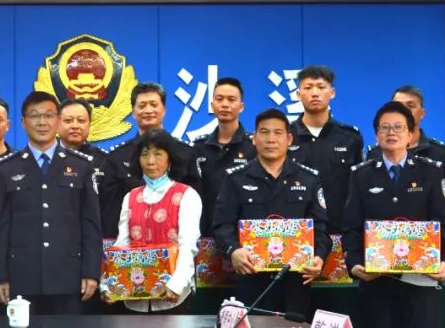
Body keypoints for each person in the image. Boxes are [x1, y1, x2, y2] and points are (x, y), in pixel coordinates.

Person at [343, 101, 445, 328]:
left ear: (410, 135)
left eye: (398, 127)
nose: (391, 133)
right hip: (376, 283)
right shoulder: (361, 175)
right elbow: (351, 226)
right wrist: (354, 264)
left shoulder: (431, 172)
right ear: (376, 135)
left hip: (420, 282)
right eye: (384, 127)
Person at [0, 91, 102, 314]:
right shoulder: (6, 168)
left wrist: (91, 272)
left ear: (58, 120)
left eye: (49, 115)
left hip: (69, 276)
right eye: (34, 115)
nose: (42, 122)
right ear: (23, 122)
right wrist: (0, 275)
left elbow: (90, 223)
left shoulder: (81, 166)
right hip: (22, 276)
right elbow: (0, 226)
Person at [213, 109, 330, 318]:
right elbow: (222, 225)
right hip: (252, 278)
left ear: (289, 139)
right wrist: (234, 250)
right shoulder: (235, 179)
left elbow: (321, 228)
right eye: (264, 132)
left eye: (278, 133)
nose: (271, 139)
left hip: (296, 279)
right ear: (254, 138)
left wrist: (319, 257)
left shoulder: (309, 179)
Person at [101, 129, 202, 312]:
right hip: (134, 299)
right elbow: (122, 245)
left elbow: (188, 245)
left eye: (158, 154)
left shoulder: (186, 195)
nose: (150, 161)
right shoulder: (131, 197)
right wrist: (107, 285)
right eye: (145, 154)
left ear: (170, 159)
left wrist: (177, 284)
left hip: (174, 299)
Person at [100, 83, 200, 238]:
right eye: (142, 105)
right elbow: (110, 209)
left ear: (164, 110)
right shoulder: (117, 156)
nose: (148, 110)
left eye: (154, 104)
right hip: (131, 242)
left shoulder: (186, 152)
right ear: (133, 112)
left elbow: (197, 204)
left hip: (177, 242)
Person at [287, 65, 364, 234]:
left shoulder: (350, 137)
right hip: (296, 233)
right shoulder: (285, 136)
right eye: (308, 87)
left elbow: (359, 189)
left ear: (332, 93)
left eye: (321, 87)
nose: (315, 93)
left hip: (340, 231)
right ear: (298, 94)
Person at [192, 77, 256, 235]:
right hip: (207, 231)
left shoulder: (254, 146)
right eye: (219, 99)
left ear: (241, 107)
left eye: (231, 99)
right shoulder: (199, 147)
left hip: (243, 232)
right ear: (212, 105)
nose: (225, 104)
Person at [366, 85, 445, 196]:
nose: (403, 111)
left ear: (422, 113)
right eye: (398, 106)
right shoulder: (375, 152)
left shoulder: (441, 153)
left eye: (410, 106)